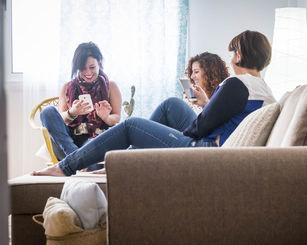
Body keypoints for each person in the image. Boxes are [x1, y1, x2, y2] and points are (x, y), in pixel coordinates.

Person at [33, 30, 276, 177]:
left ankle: (65, 167)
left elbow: (201, 128)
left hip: (203, 148)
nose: (231, 57)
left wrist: (168, 136)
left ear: (240, 54)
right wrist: (205, 105)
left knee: (133, 126)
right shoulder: (263, 89)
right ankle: (118, 161)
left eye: (233, 52)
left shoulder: (237, 84)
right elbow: (224, 120)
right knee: (171, 104)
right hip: (214, 143)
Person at [40, 42, 122, 161]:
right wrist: (72, 112)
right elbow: (60, 120)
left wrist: (106, 118)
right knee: (47, 112)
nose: (88, 73)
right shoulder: (67, 87)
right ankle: (76, 157)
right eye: (83, 68)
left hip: (94, 139)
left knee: (91, 147)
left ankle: (77, 160)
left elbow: (117, 117)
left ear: (100, 63)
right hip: (67, 144)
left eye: (92, 67)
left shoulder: (111, 86)